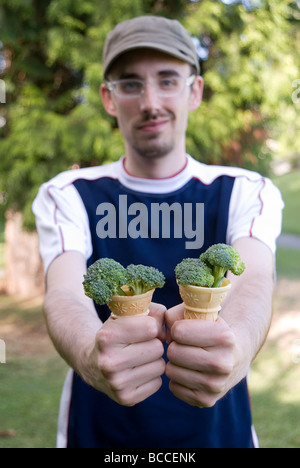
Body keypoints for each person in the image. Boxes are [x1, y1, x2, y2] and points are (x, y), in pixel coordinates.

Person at [33, 16, 284, 448]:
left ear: (195, 91)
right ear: (109, 99)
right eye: (130, 84)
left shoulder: (246, 190)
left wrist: (239, 346)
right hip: (99, 432)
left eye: (167, 80)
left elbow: (255, 279)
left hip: (219, 433)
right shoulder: (68, 193)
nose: (150, 102)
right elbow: (64, 293)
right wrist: (91, 358)